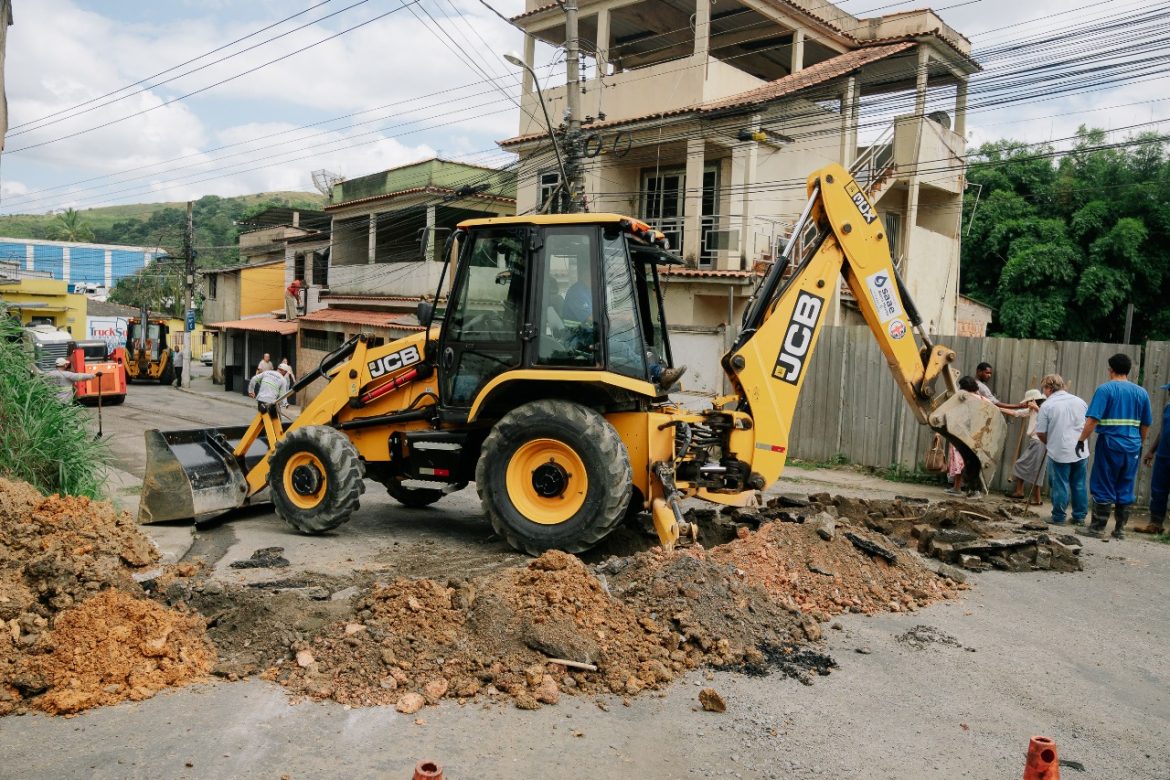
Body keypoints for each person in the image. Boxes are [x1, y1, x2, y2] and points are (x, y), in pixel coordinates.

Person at [1078, 353, 1153, 539]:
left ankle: (1097, 528)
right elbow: (1145, 424)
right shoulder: (1141, 392)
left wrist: (1081, 440)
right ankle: (1119, 530)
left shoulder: (1105, 390)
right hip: (1133, 445)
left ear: (1110, 369)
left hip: (1110, 443)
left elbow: (1092, 420)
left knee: (1104, 482)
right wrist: (1140, 444)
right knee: (1126, 483)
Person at [1035, 374, 1089, 526]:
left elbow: (1040, 432)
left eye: (1044, 389)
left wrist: (1049, 443)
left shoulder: (1047, 405)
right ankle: (1079, 517)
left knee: (1060, 483)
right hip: (1081, 449)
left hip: (1059, 451)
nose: (1044, 392)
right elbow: (1088, 423)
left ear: (1049, 388)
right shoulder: (1080, 401)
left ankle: (1058, 517)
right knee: (1079, 484)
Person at [944, 376, 995, 499]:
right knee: (972, 463)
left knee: (971, 464)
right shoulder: (983, 399)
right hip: (978, 436)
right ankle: (971, 490)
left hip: (967, 436)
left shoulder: (965, 399)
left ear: (963, 388)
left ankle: (975, 491)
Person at [1135, 382, 1170, 535]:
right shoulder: (1168, 408)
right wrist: (1151, 451)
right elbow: (1163, 431)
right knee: (1158, 490)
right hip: (1163, 456)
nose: (1168, 393)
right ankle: (1155, 524)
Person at [1006, 389, 1045, 502]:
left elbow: (1045, 415)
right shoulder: (1032, 410)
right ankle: (1021, 492)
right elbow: (1016, 413)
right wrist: (997, 408)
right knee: (1024, 466)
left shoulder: (1043, 409)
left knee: (1034, 469)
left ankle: (1035, 498)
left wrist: (1035, 406)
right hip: (1035, 442)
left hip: (1039, 442)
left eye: (1028, 402)